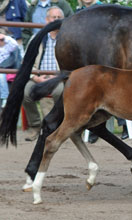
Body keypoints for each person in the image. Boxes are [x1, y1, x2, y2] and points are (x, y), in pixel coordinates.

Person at [76, 0, 129, 143]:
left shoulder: (103, 9)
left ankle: (123, 125)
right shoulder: (78, 12)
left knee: (112, 89)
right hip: (89, 57)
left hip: (105, 55)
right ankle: (94, 128)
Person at [22, 6, 64, 141]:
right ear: (47, 20)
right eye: (54, 17)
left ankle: (56, 128)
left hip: (58, 78)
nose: (56, 20)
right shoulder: (37, 37)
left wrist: (57, 76)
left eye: (59, 18)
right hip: (37, 77)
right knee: (25, 92)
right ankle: (35, 126)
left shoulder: (67, 38)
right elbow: (26, 61)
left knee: (60, 93)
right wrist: (35, 77)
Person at [0, 28, 20, 110]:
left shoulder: (8, 46)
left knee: (1, 76)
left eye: (1, 39)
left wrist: (4, 37)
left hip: (5, 69)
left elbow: (14, 44)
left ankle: (5, 96)